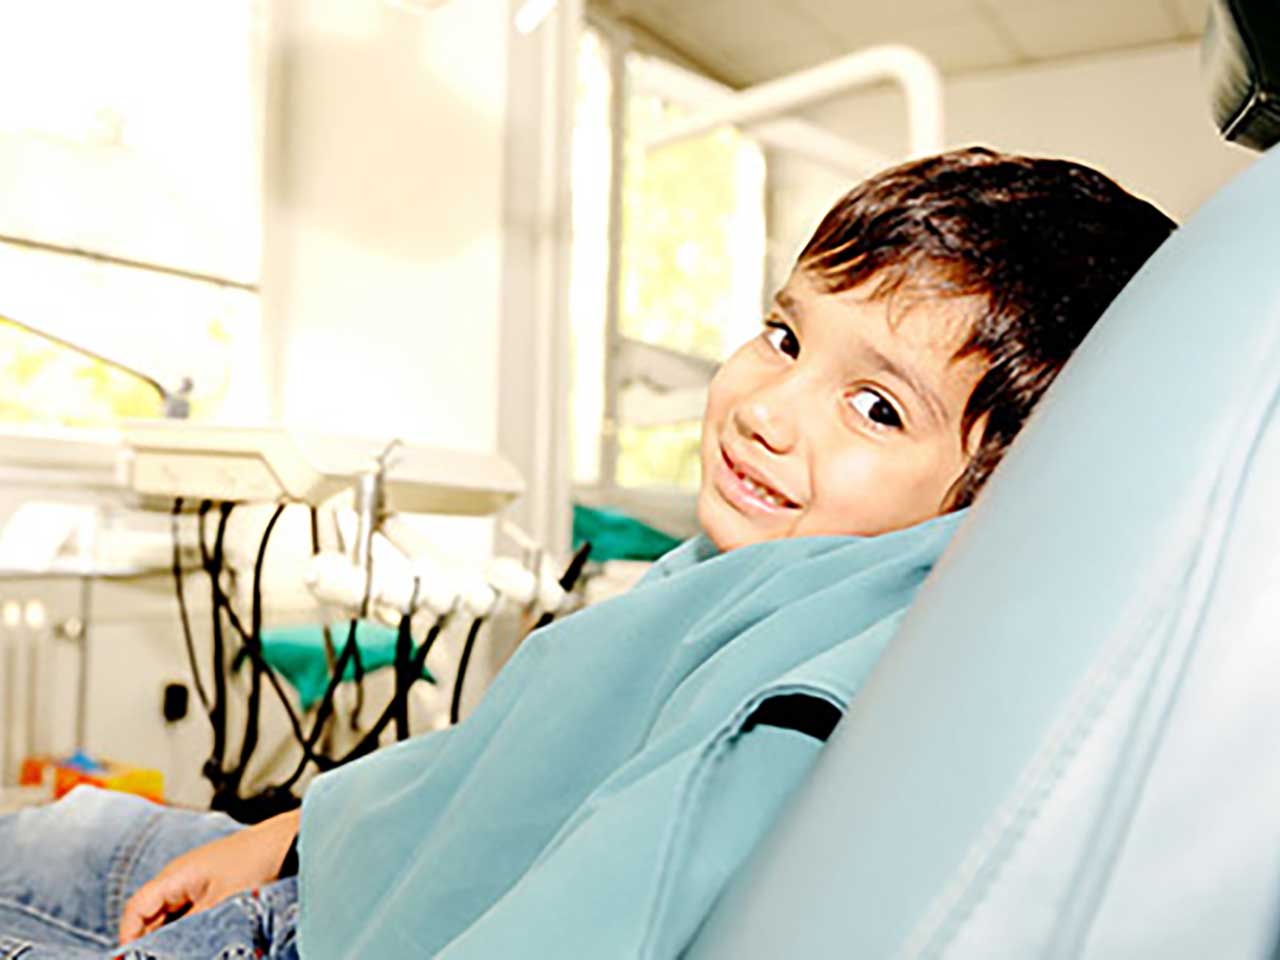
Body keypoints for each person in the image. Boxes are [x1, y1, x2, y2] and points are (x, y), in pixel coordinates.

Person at [0, 148, 1176, 959]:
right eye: (782, 336)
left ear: (1005, 497)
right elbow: (485, 775)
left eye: (876, 408)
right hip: (327, 870)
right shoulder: (727, 575)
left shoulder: (818, 664)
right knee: (57, 829)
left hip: (308, 938)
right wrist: (282, 831)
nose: (767, 408)